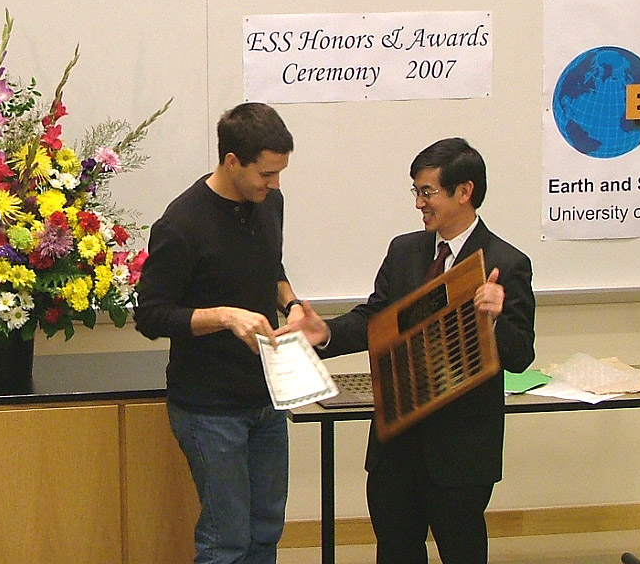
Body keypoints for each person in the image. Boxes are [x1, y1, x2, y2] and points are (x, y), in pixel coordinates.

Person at [282, 137, 535, 564]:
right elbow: (376, 318)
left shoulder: (505, 263)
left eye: (428, 192)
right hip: (395, 447)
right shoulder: (405, 251)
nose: (419, 203)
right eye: (416, 191)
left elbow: (520, 354)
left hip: (460, 453)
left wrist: (493, 320)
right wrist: (325, 333)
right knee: (396, 550)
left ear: (464, 191)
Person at [134, 102, 305, 564]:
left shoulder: (269, 204)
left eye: (279, 173)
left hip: (266, 396)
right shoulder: (181, 224)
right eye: (266, 174)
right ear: (232, 161)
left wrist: (291, 304)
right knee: (225, 540)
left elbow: (269, 266)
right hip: (209, 409)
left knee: (265, 531)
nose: (274, 185)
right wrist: (225, 317)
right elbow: (151, 315)